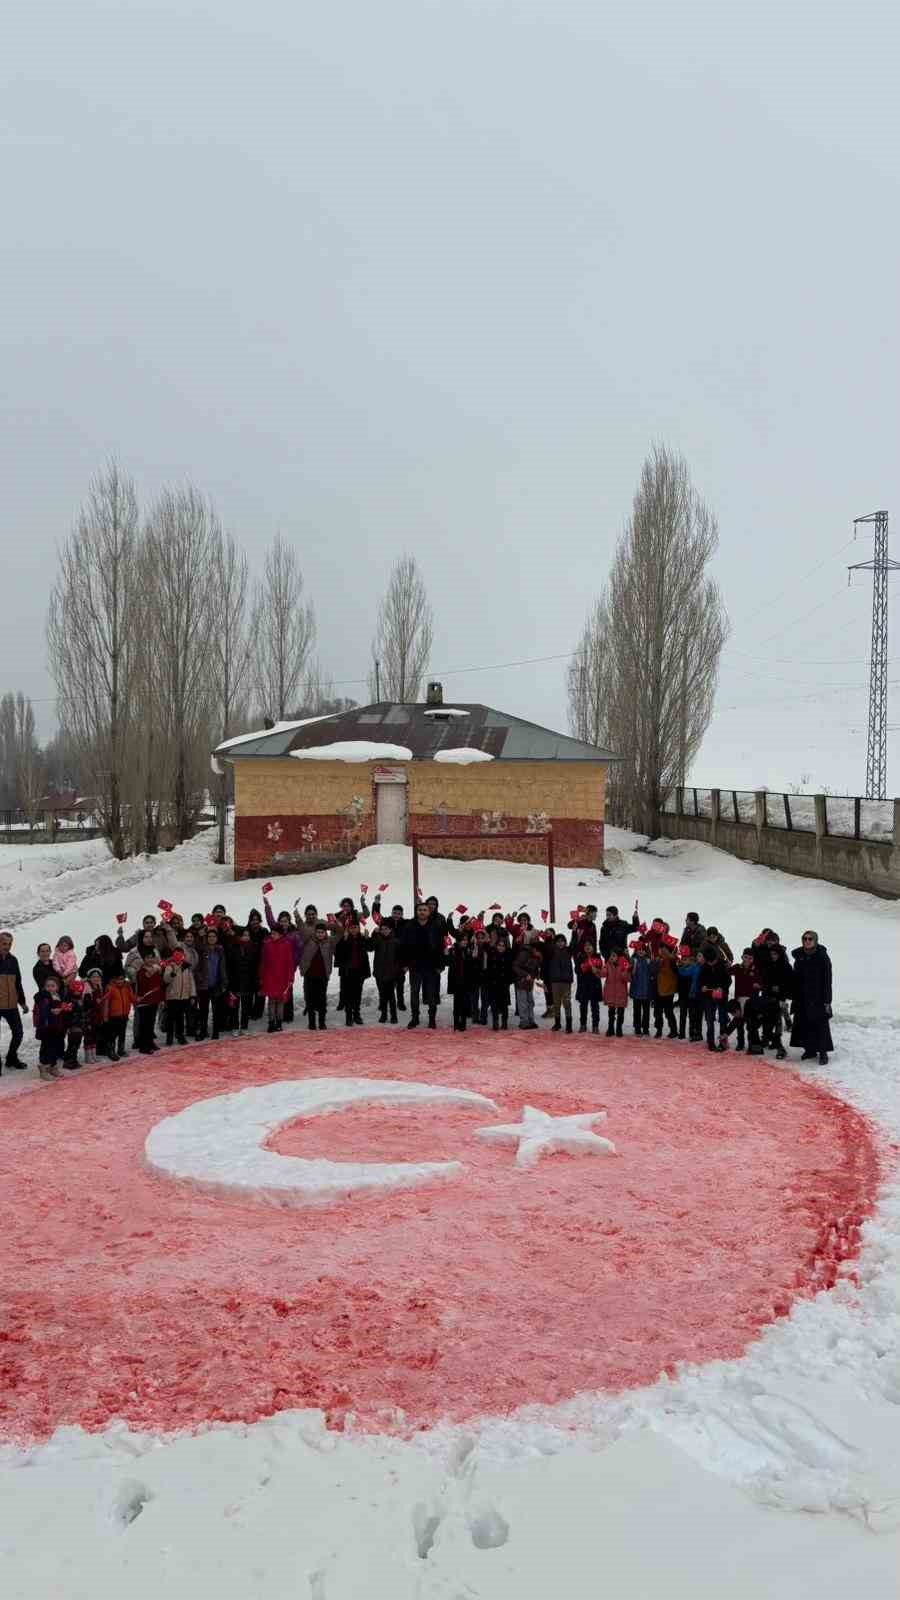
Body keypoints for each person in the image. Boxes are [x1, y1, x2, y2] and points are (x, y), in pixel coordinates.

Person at [790, 931, 833, 1065]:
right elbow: (795, 978)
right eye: (805, 939)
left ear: (815, 940)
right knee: (804, 1024)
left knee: (820, 1025)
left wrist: (827, 1000)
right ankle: (810, 1050)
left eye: (810, 939)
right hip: (802, 997)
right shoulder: (800, 956)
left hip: (818, 997)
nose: (807, 941)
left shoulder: (822, 957)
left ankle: (823, 1052)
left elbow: (827, 979)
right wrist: (793, 995)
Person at [401, 903, 445, 1029]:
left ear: (429, 912)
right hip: (415, 966)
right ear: (416, 911)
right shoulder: (409, 926)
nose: (422, 912)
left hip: (431, 966)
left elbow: (440, 947)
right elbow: (403, 946)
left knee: (431, 995)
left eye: (424, 910)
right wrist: (404, 963)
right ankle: (415, 1018)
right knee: (414, 993)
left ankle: (432, 1019)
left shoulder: (435, 926)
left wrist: (440, 964)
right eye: (420, 910)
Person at [258, 924, 296, 1033]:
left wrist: (290, 978)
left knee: (280, 1001)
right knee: (271, 1001)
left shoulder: (287, 945)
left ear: (280, 934)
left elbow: (290, 963)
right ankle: (271, 1023)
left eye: (274, 933)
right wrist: (261, 976)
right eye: (272, 933)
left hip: (282, 977)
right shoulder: (267, 945)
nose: (272, 935)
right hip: (269, 977)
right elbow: (263, 962)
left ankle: (279, 1023)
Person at [299, 923, 335, 1030]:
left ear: (325, 933)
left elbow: (340, 933)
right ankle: (311, 1023)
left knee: (322, 1000)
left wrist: (336, 923)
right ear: (315, 932)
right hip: (309, 975)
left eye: (322, 932)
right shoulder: (309, 941)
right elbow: (302, 928)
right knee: (309, 999)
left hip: (323, 976)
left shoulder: (329, 943)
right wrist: (297, 915)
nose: (320, 934)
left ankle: (322, 1022)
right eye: (318, 932)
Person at [0, 931, 28, 1071]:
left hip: (11, 1004)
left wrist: (22, 1002)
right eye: (4, 943)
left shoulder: (13, 960)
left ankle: (11, 1058)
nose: (7, 946)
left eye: (10, 944)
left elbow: (18, 983)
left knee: (18, 1033)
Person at [334, 921, 370, 1026]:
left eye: (356, 927)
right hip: (347, 972)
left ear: (359, 928)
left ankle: (357, 1015)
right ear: (348, 929)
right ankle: (348, 1016)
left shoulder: (362, 938)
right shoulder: (344, 939)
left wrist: (367, 938)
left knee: (357, 995)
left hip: (360, 971)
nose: (354, 930)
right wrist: (344, 940)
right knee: (348, 995)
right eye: (352, 928)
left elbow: (370, 948)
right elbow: (338, 954)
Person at [224, 926, 258, 1035]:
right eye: (244, 935)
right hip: (235, 981)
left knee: (246, 1006)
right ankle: (235, 1027)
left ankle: (244, 1026)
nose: (246, 937)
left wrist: (255, 982)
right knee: (235, 1006)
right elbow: (229, 966)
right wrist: (230, 982)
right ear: (240, 936)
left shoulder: (253, 949)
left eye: (248, 935)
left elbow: (255, 967)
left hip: (248, 982)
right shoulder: (234, 948)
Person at [195, 926, 228, 1040]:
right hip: (204, 985)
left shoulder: (220, 950)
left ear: (217, 938)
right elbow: (198, 965)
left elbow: (223, 967)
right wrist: (199, 978)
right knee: (203, 1010)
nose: (211, 938)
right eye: (209, 936)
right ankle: (203, 1031)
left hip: (216, 984)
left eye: (214, 936)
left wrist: (224, 983)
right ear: (207, 938)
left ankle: (215, 1031)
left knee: (216, 1010)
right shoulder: (202, 949)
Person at [161, 946, 197, 1046]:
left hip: (184, 996)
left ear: (183, 956)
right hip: (172, 997)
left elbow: (191, 982)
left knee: (180, 1018)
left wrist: (192, 995)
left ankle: (180, 1036)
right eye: (176, 954)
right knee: (170, 1018)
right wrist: (172, 973)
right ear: (173, 955)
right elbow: (166, 980)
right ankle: (169, 1037)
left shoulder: (186, 967)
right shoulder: (169, 966)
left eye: (180, 954)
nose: (178, 956)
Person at [723, 949, 757, 1051]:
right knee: (739, 1023)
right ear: (742, 957)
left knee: (750, 1024)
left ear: (753, 959)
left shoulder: (756, 969)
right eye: (745, 957)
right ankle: (740, 1043)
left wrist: (758, 985)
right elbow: (727, 972)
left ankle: (752, 1044)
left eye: (750, 958)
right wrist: (727, 965)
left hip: (750, 1001)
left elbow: (761, 981)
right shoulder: (738, 967)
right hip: (738, 999)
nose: (747, 960)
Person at [699, 948, 732, 1052]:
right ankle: (711, 1041)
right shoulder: (705, 967)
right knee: (710, 1019)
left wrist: (722, 988)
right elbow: (701, 979)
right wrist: (703, 986)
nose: (710, 963)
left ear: (716, 959)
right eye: (708, 962)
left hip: (721, 996)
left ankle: (723, 1042)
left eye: (712, 961)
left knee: (722, 1019)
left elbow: (728, 981)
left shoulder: (722, 966)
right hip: (709, 996)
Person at [34, 974, 67, 1079]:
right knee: (46, 1048)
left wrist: (63, 1009)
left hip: (56, 1027)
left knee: (54, 1047)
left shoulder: (58, 996)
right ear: (44, 987)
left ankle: (52, 1066)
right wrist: (52, 1011)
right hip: (46, 1027)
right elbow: (43, 1010)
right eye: (48, 986)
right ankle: (43, 1069)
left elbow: (58, 1010)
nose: (50, 988)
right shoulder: (43, 996)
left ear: (57, 987)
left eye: (53, 986)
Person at [134, 952, 164, 1054]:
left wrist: (160, 999)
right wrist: (148, 974)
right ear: (144, 959)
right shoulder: (140, 972)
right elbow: (142, 987)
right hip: (144, 1002)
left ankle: (150, 1042)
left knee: (151, 1023)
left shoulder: (156, 970)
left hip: (154, 1000)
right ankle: (143, 1046)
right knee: (144, 1024)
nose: (150, 960)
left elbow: (159, 985)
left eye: (152, 957)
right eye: (148, 957)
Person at [100, 969, 133, 1060]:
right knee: (112, 1035)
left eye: (122, 979)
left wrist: (137, 1000)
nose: (120, 981)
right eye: (118, 979)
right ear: (114, 979)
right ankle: (111, 1051)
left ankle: (121, 1049)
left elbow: (131, 997)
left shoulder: (127, 987)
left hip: (124, 1014)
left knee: (122, 1033)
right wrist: (105, 1016)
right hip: (113, 1016)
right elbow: (106, 1003)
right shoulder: (110, 988)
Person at [447, 928, 476, 1032]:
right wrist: (446, 954)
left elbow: (472, 966)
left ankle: (463, 1023)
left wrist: (473, 957)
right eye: (462, 940)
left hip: (466, 980)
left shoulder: (469, 950)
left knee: (464, 1003)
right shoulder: (452, 950)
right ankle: (456, 1022)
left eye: (466, 940)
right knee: (456, 1003)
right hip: (455, 981)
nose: (464, 942)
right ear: (458, 941)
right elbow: (448, 963)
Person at [485, 928, 514, 1030]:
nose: (501, 947)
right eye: (499, 945)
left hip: (504, 983)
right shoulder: (492, 955)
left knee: (504, 1004)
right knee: (494, 1004)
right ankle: (495, 1021)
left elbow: (511, 970)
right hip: (493, 983)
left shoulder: (508, 955)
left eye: (503, 946)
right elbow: (488, 969)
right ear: (496, 946)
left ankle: (504, 1022)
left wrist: (509, 980)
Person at [512, 938, 543, 1030]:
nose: (537, 951)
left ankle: (531, 1020)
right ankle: (524, 1021)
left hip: (530, 982)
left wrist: (536, 975)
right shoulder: (524, 954)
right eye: (536, 949)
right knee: (523, 1002)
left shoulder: (537, 956)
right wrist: (525, 975)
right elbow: (515, 966)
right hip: (521, 981)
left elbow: (535, 968)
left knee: (530, 1002)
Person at [547, 933, 574, 1034]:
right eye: (558, 941)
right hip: (555, 981)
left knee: (567, 1003)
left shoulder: (568, 951)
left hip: (566, 981)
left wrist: (574, 932)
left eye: (562, 941)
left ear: (565, 942)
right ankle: (557, 1023)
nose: (560, 943)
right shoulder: (552, 951)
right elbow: (547, 946)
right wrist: (549, 937)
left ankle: (569, 1025)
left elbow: (574, 942)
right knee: (556, 1003)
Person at [651, 945, 679, 1038]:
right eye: (661, 949)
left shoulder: (673, 961)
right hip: (658, 990)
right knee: (657, 1012)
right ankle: (659, 1030)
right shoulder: (657, 960)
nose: (662, 951)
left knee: (668, 1012)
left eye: (664, 949)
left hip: (668, 991)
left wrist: (673, 959)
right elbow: (653, 972)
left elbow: (677, 972)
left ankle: (673, 1030)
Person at [576, 941, 603, 1033]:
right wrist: (584, 966)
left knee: (595, 1007)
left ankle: (595, 1026)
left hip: (594, 985)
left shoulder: (598, 956)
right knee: (583, 1006)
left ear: (593, 947)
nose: (587, 947)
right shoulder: (580, 957)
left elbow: (600, 970)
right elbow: (577, 970)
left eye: (590, 945)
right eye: (586, 945)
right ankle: (583, 1025)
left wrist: (596, 968)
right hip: (583, 985)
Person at [601, 949, 630, 1036]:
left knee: (620, 1012)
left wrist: (625, 972)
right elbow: (603, 974)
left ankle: (619, 1028)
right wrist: (602, 969)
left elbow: (628, 978)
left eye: (614, 955)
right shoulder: (608, 964)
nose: (612, 957)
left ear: (619, 957)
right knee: (611, 1012)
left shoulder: (624, 965)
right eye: (611, 956)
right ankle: (610, 1028)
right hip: (610, 992)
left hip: (621, 992)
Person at [676, 945, 703, 1041]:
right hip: (683, 995)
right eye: (683, 958)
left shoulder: (694, 967)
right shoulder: (682, 968)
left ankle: (693, 1033)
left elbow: (688, 974)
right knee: (683, 1015)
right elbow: (681, 976)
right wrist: (679, 968)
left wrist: (680, 969)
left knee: (693, 1016)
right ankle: (682, 1033)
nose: (684, 960)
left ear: (690, 959)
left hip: (693, 995)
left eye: (686, 959)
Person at [630, 943, 654, 1036]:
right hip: (636, 991)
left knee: (646, 1011)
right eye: (639, 949)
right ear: (636, 950)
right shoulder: (634, 960)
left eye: (643, 950)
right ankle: (637, 1028)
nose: (641, 951)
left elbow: (652, 972)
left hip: (646, 991)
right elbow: (629, 969)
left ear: (646, 951)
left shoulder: (648, 960)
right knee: (637, 1011)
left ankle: (645, 1028)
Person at [61, 976, 86, 1068]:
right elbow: (65, 1015)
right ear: (71, 990)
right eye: (76, 990)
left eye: (79, 990)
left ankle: (73, 1060)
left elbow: (82, 1013)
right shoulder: (69, 1001)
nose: (77, 992)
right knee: (72, 1045)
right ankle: (68, 1061)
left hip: (79, 1025)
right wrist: (67, 1027)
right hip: (73, 1026)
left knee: (77, 1044)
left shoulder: (80, 1000)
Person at [82, 967, 104, 1063]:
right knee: (88, 1036)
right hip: (88, 1016)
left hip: (97, 1015)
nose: (96, 978)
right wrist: (95, 1001)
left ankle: (93, 1054)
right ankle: (88, 1056)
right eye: (94, 977)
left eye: (98, 977)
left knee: (95, 1035)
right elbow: (86, 1005)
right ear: (89, 978)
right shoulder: (87, 989)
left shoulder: (99, 987)